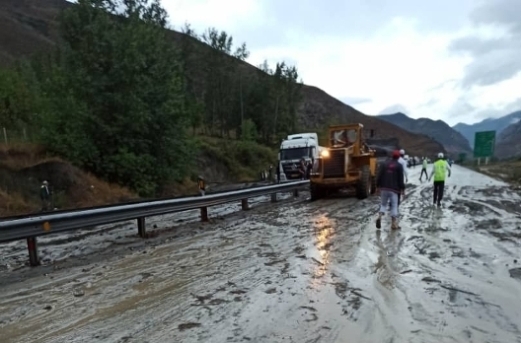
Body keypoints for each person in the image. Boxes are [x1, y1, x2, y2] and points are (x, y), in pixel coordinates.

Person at [376, 150, 406, 230]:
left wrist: (377, 186)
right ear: (399, 157)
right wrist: (402, 188)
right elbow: (401, 179)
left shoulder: (384, 164)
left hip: (384, 188)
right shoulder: (399, 166)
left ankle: (379, 216)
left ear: (392, 156)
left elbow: (379, 175)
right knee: (394, 206)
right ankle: (394, 224)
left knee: (383, 204)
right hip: (394, 190)